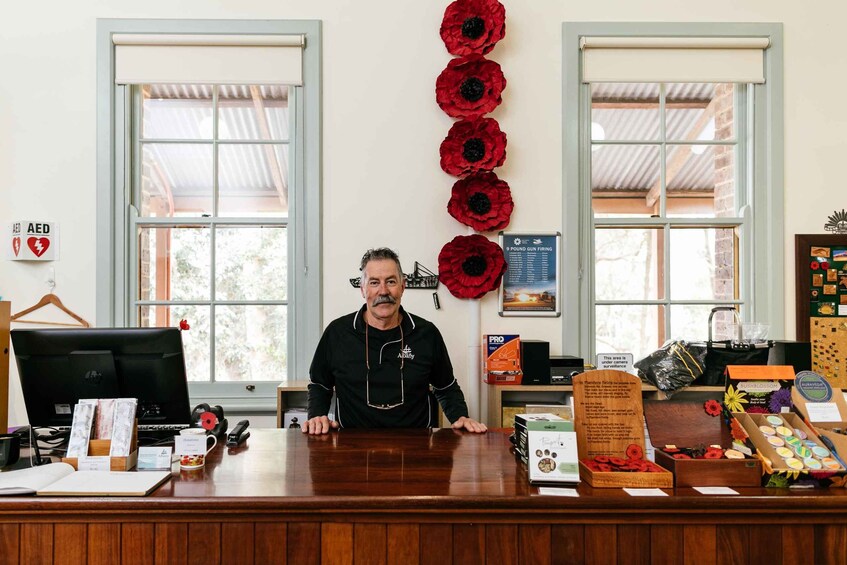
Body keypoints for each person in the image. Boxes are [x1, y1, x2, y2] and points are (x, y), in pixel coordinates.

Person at [303, 247, 487, 435]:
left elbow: (445, 387)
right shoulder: (337, 333)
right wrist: (316, 416)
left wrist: (460, 417)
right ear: (363, 289)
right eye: (374, 282)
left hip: (417, 444)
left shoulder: (427, 333)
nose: (383, 291)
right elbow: (319, 385)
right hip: (352, 443)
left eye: (391, 281)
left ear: (402, 286)